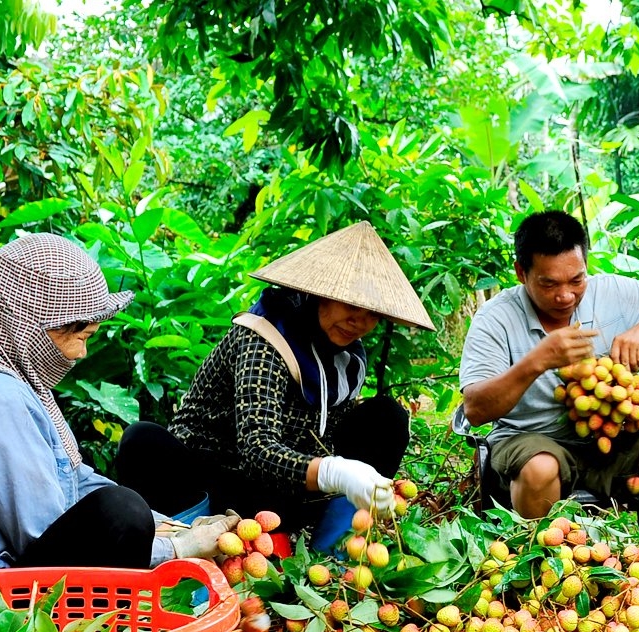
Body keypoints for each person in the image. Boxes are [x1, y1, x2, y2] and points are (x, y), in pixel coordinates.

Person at [0, 234, 234, 580]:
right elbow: (47, 529)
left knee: (125, 505)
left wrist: (173, 528)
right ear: (31, 326)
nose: (81, 354)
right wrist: (179, 550)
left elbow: (70, 480)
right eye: (79, 337)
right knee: (121, 514)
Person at [118, 221, 431, 538]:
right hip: (216, 482)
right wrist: (338, 472)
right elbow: (258, 452)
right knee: (142, 440)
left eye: (372, 314)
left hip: (281, 494)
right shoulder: (266, 337)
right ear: (321, 294)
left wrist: (359, 477)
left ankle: (333, 552)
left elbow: (326, 434)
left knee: (385, 418)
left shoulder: (345, 355)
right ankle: (191, 542)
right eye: (351, 306)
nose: (359, 323)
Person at [459, 211, 639, 521]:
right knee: (541, 465)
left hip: (608, 444)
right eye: (548, 284)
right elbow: (476, 409)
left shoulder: (609, 293)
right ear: (521, 273)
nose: (565, 296)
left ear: (585, 266)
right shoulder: (495, 319)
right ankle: (541, 559)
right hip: (529, 443)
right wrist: (537, 361)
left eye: (576, 280)